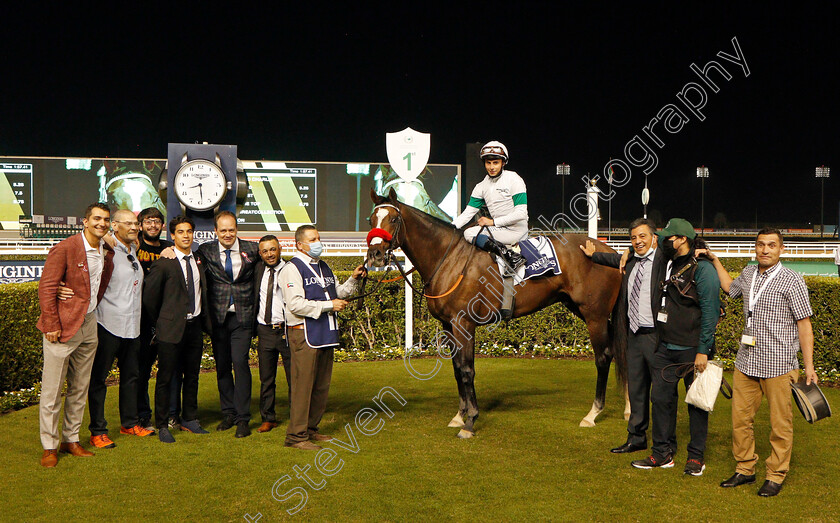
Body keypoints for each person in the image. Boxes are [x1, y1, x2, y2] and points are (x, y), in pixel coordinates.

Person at [702, 228, 816, 497]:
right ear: (755, 247)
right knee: (740, 421)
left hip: (779, 364)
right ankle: (745, 469)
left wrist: (809, 366)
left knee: (780, 424)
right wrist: (715, 260)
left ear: (781, 250)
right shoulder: (749, 273)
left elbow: (804, 324)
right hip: (747, 361)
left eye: (772, 245)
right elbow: (730, 289)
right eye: (761, 245)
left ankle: (775, 474)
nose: (765, 250)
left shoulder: (792, 280)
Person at [630, 218, 720, 476]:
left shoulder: (703, 269)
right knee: (660, 400)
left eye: (668, 238)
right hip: (665, 348)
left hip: (693, 350)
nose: (663, 242)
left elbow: (710, 312)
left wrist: (703, 349)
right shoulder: (670, 263)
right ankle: (662, 453)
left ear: (682, 239)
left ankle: (696, 457)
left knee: (697, 404)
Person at [36, 203, 115, 467]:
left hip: (89, 325)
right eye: (96, 219)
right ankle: (49, 446)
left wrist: (85, 305)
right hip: (62, 327)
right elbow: (47, 287)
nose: (101, 223)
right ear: (85, 221)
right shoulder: (67, 247)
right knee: (52, 390)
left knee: (80, 388)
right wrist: (51, 323)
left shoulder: (107, 250)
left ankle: (71, 440)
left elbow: (98, 285)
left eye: (105, 220)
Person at [580, 218, 664, 454]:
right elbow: (610, 259)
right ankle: (636, 438)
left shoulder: (661, 261)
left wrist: (629, 249)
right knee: (636, 390)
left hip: (656, 336)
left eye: (643, 237)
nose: (638, 242)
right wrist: (593, 255)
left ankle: (663, 444)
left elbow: (670, 236)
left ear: (654, 238)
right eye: (633, 238)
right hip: (634, 335)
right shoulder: (630, 262)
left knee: (660, 394)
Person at [279, 225, 365, 450]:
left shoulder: (323, 266)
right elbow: (295, 304)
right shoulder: (291, 269)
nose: (318, 242)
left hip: (325, 333)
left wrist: (353, 280)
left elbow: (337, 292)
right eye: (313, 239)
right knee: (303, 386)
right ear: (300, 245)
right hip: (303, 333)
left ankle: (310, 429)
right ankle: (296, 436)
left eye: (318, 238)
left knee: (320, 386)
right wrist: (329, 306)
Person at [86, 209, 154, 448]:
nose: (134, 227)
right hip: (107, 325)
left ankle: (129, 423)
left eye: (136, 223)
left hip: (132, 327)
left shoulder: (132, 250)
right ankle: (98, 431)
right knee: (98, 381)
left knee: (131, 379)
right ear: (114, 226)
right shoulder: (104, 250)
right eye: (128, 224)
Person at [143, 215, 211, 443]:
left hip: (194, 327)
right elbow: (150, 299)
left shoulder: (198, 260)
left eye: (189, 231)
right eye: (180, 232)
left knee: (192, 376)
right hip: (171, 329)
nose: (185, 235)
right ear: (172, 235)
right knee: (165, 378)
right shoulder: (164, 262)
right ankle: (162, 424)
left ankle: (189, 419)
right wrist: (164, 320)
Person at [195, 211, 260, 438]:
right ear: (215, 231)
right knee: (222, 367)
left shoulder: (253, 249)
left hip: (243, 317)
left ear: (237, 229)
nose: (227, 234)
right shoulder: (206, 251)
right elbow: (183, 258)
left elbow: (274, 259)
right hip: (218, 319)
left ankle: (243, 418)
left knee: (240, 364)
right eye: (223, 230)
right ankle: (228, 413)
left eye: (231, 229)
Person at [451, 141, 527, 275]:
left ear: (503, 163)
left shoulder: (514, 179)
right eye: (488, 163)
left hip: (516, 231)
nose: (492, 167)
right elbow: (467, 214)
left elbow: (521, 213)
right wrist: (449, 227)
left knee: (468, 233)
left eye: (495, 162)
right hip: (498, 230)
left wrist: (492, 222)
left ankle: (511, 256)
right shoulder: (481, 186)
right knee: (468, 232)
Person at [135, 206, 175, 431]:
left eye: (157, 222)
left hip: (165, 318)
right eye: (148, 222)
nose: (153, 226)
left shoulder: (170, 248)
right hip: (140, 319)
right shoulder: (134, 246)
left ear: (162, 225)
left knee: (169, 370)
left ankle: (170, 414)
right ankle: (142, 415)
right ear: (141, 225)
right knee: (141, 371)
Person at [253, 235, 291, 433]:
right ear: (260, 254)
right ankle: (268, 418)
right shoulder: (257, 269)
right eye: (265, 251)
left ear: (280, 249)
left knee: (294, 377)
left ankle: (298, 418)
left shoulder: (291, 270)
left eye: (273, 249)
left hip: (287, 331)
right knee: (266, 379)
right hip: (265, 330)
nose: (270, 254)